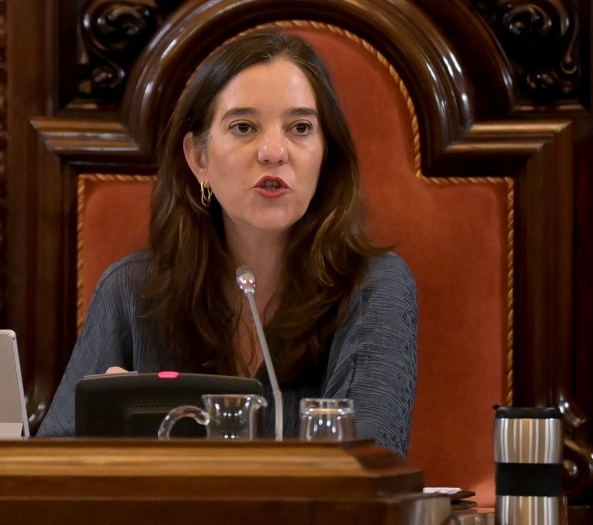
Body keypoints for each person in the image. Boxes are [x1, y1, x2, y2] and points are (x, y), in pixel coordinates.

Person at [36, 28, 418, 455]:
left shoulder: (373, 286)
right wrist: (108, 447)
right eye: (243, 127)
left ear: (325, 155)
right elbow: (52, 467)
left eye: (300, 128)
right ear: (198, 158)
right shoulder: (131, 289)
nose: (274, 151)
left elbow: (369, 468)